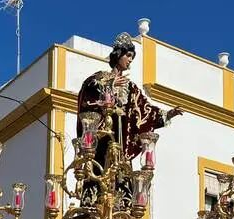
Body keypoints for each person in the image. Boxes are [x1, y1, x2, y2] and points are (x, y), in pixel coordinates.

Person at [77, 31, 182, 207]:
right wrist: (109, 86)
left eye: (132, 56)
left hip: (121, 143)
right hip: (102, 138)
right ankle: (93, 206)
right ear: (118, 54)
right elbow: (86, 98)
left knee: (121, 175)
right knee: (98, 170)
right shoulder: (99, 77)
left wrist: (166, 114)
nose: (130, 60)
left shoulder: (131, 88)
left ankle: (121, 210)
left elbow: (144, 110)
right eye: (128, 55)